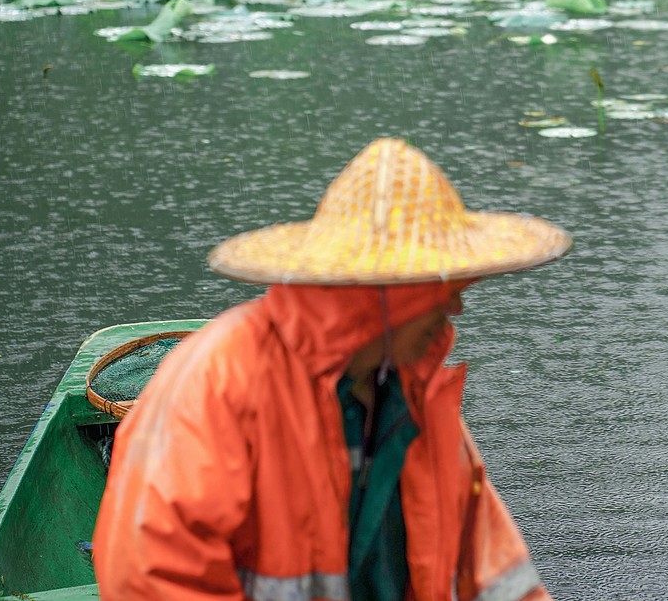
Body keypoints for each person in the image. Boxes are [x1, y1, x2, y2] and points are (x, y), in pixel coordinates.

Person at [93, 137, 571, 601]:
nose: (457, 304)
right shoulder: (219, 382)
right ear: (382, 292)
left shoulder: (415, 396)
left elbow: (499, 577)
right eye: (439, 285)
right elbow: (150, 578)